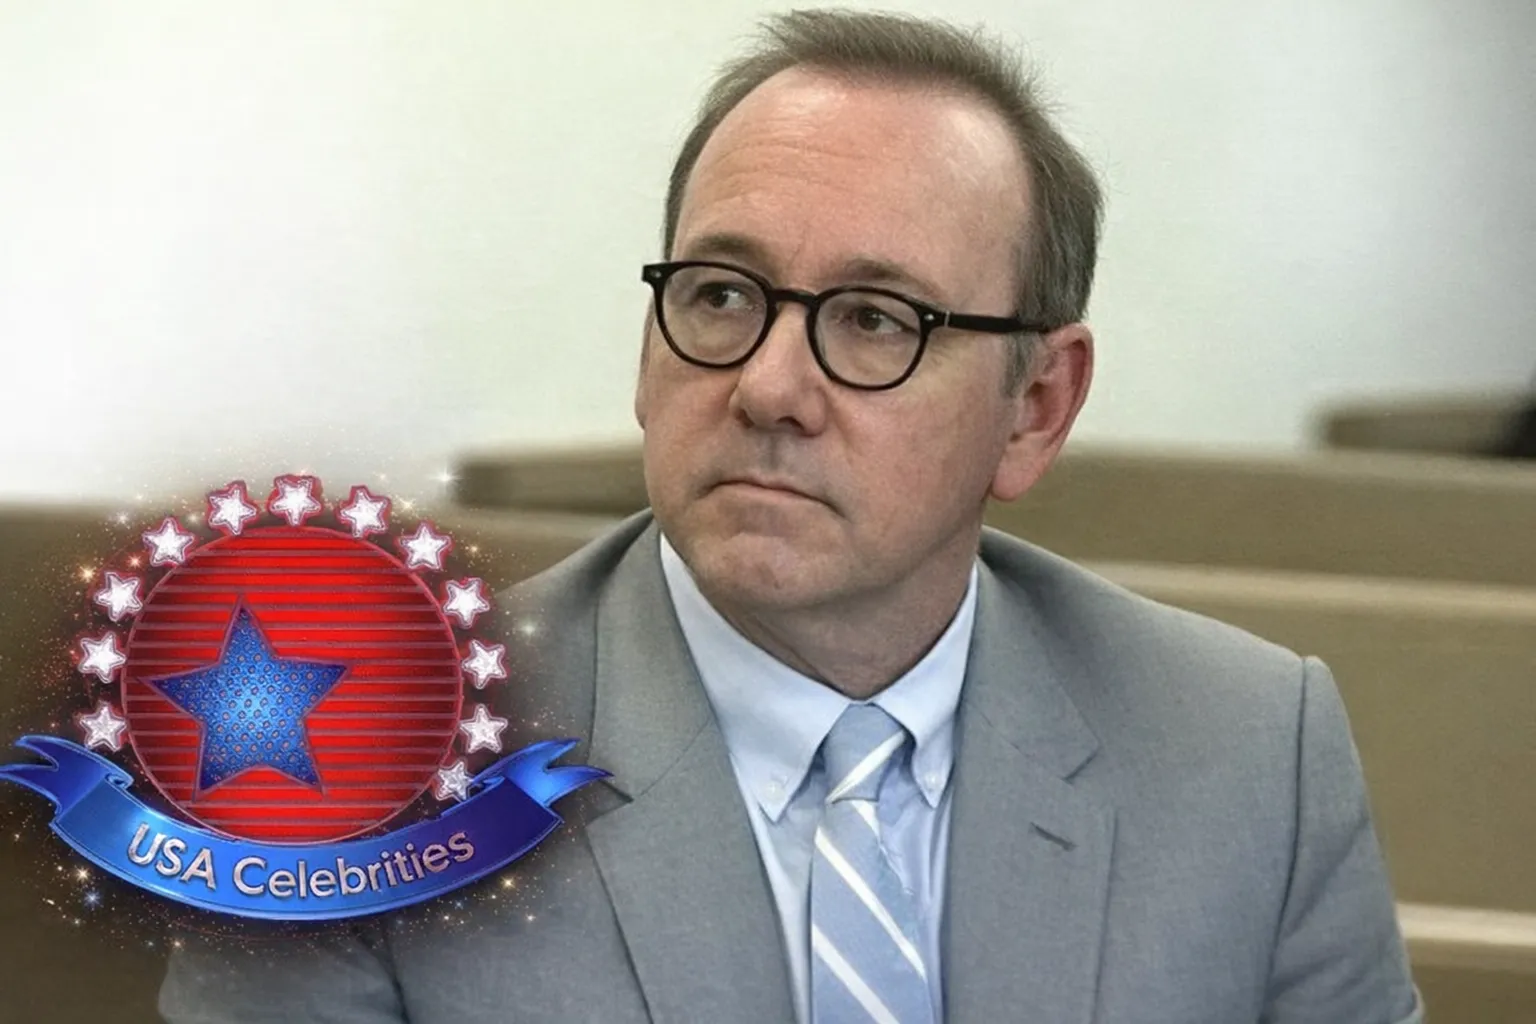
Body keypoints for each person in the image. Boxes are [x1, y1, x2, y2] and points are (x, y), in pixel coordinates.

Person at [161, 9, 1423, 1022]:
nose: (769, 386)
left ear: (1036, 406)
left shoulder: (1250, 755)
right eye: (721, 296)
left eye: (875, 320)